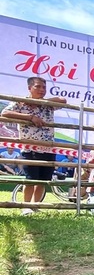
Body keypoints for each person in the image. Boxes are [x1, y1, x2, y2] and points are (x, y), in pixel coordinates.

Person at [1, 76, 67, 215]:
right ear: (29, 88)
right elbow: (5, 113)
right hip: (30, 147)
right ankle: (25, 206)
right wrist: (30, 117)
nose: (41, 89)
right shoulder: (21, 103)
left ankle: (35, 206)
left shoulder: (48, 104)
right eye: (38, 86)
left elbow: (63, 101)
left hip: (48, 147)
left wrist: (39, 102)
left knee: (43, 180)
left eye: (44, 87)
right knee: (31, 179)